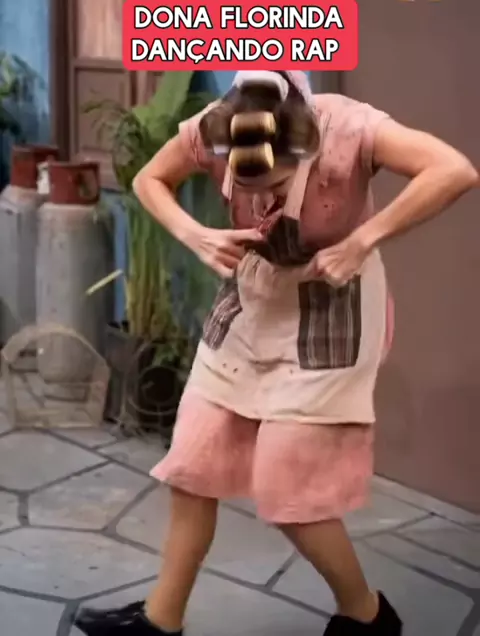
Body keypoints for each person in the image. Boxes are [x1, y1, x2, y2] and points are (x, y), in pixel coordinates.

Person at [74, 71, 477, 636]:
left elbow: (454, 170)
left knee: (289, 489)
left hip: (332, 307)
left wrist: (362, 240)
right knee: (193, 461)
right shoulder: (219, 126)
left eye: (274, 182)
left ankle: (367, 616)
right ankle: (159, 623)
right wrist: (195, 234)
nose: (261, 198)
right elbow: (150, 178)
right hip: (253, 299)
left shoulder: (349, 128)